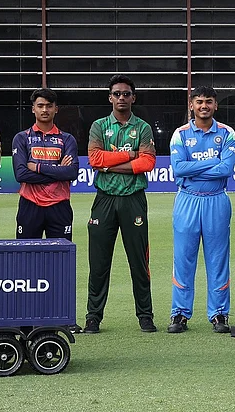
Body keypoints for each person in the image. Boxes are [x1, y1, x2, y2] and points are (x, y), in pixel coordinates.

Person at [84, 75, 157, 334]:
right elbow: (95, 159)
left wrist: (111, 163)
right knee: (99, 261)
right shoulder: (99, 126)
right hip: (104, 199)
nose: (121, 98)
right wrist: (130, 155)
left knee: (139, 261)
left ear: (133, 97)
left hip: (133, 200)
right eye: (117, 94)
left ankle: (145, 315)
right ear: (110, 97)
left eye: (126, 94)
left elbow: (147, 163)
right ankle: (93, 317)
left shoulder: (143, 127)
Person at [167, 86, 235, 334]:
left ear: (215, 105)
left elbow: (226, 169)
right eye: (199, 101)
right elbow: (179, 168)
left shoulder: (227, 133)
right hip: (187, 199)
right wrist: (212, 161)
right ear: (191, 105)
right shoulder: (181, 134)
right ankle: (179, 314)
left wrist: (195, 165)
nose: (204, 106)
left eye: (208, 101)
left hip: (216, 199)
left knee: (218, 259)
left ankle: (219, 314)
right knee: (184, 259)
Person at [12, 88, 81, 334]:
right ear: (33, 109)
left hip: (59, 207)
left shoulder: (67, 139)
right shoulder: (22, 138)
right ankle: (25, 318)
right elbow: (21, 173)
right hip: (30, 206)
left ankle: (62, 318)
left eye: (48, 106)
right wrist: (54, 169)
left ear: (55, 109)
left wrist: (37, 166)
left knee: (59, 264)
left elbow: (71, 173)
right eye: (40, 105)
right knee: (25, 264)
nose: (44, 110)